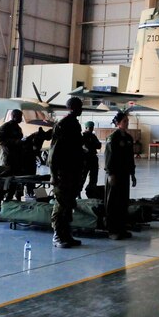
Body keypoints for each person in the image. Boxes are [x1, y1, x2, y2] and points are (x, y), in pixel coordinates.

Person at [48, 97, 85, 248]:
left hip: (73, 170)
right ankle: (57, 234)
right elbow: (54, 151)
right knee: (61, 203)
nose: (82, 109)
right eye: (80, 106)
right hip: (63, 171)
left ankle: (66, 233)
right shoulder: (63, 125)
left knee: (69, 202)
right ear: (73, 107)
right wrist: (52, 174)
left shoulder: (75, 124)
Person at [104, 111, 137, 240]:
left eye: (127, 121)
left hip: (124, 174)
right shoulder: (113, 138)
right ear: (118, 123)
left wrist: (132, 174)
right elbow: (108, 157)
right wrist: (110, 173)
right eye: (124, 121)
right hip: (115, 174)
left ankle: (121, 228)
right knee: (112, 202)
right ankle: (112, 230)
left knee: (123, 201)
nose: (127, 123)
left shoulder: (128, 138)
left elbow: (130, 158)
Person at [0, 108, 24, 212]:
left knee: (14, 182)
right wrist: (15, 142)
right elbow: (0, 140)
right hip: (8, 158)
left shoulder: (18, 128)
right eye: (20, 117)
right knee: (5, 182)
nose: (21, 119)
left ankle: (9, 202)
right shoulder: (6, 127)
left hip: (17, 158)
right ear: (14, 116)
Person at [81, 121, 102, 197]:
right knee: (82, 177)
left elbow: (99, 145)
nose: (91, 129)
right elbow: (85, 147)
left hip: (93, 158)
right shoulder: (82, 136)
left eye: (92, 128)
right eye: (90, 128)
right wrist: (92, 145)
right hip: (85, 159)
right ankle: (78, 192)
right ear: (86, 128)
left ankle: (91, 192)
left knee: (94, 177)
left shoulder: (93, 136)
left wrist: (91, 145)